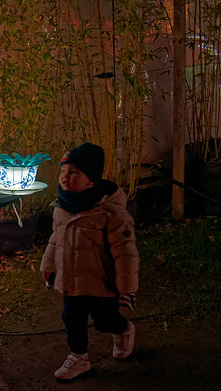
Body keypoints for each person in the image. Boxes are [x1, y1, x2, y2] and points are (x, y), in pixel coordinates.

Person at [40, 142, 139, 380]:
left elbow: (125, 253)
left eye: (73, 172)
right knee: (72, 318)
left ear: (91, 181)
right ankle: (78, 357)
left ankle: (123, 330)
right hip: (71, 280)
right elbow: (56, 239)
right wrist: (48, 266)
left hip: (100, 283)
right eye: (63, 171)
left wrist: (127, 290)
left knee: (104, 320)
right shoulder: (63, 206)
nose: (65, 177)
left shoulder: (111, 214)